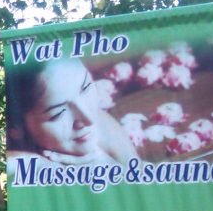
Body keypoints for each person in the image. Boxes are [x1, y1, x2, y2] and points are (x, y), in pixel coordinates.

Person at [7, 58, 136, 166]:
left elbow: (141, 176)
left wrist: (104, 164)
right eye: (57, 113)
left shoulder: (96, 124)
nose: (88, 119)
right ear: (16, 129)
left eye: (85, 87)